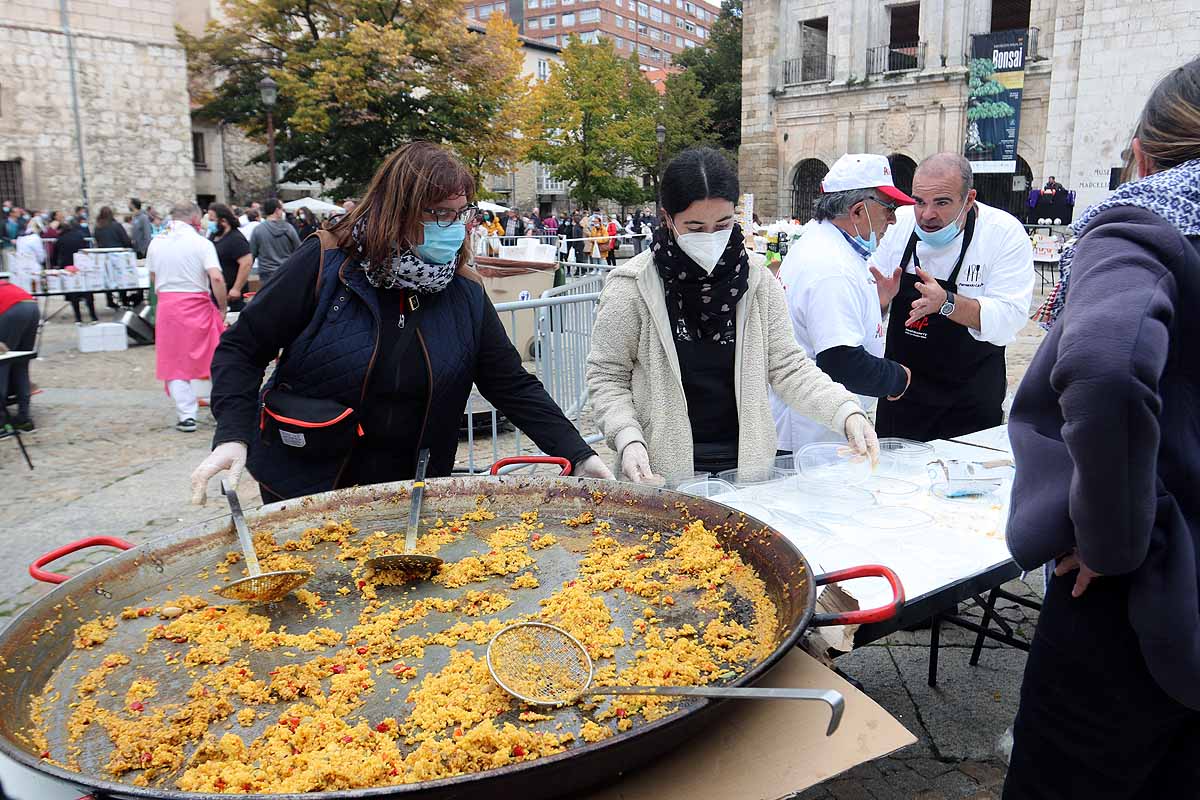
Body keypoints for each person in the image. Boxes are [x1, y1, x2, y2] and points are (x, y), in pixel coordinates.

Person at [191, 141, 613, 504]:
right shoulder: (325, 262)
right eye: (440, 214)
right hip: (311, 481)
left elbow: (510, 383)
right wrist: (233, 434)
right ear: (399, 210)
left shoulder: (462, 289)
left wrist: (578, 454)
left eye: (462, 213)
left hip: (414, 488)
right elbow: (242, 348)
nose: (456, 228)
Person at [1003, 57, 1200, 799]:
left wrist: (1113, 538)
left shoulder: (1152, 218)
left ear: (1143, 152)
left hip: (1134, 600)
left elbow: (1106, 367)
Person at [587, 148, 878, 483]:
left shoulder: (756, 280)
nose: (710, 236)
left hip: (746, 470)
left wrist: (845, 412)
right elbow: (607, 376)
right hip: (662, 472)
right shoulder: (633, 286)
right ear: (668, 219)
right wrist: (627, 437)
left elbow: (788, 366)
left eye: (723, 223)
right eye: (695, 226)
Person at [867, 152, 1034, 441]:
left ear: (969, 200)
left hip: (968, 403)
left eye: (941, 202)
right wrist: (880, 301)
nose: (927, 214)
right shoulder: (900, 224)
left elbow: (1010, 317)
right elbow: (871, 302)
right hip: (902, 398)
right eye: (919, 201)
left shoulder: (1003, 233)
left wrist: (946, 303)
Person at [772, 154, 915, 452]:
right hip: (812, 435)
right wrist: (897, 378)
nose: (892, 219)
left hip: (815, 424)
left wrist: (879, 305)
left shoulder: (827, 244)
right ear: (859, 211)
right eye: (889, 208)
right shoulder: (831, 265)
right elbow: (841, 363)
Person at [147, 202, 227, 433]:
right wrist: (221, 307)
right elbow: (217, 278)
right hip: (197, 303)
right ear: (194, 218)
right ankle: (219, 406)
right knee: (214, 355)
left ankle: (186, 415)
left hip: (169, 306)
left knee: (174, 361)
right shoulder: (201, 243)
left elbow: (153, 277)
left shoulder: (156, 243)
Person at [0, 273, 38, 433]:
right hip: (31, 305)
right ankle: (24, 418)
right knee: (21, 363)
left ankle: (1, 422)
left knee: (2, 364)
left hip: (10, 309)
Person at [209, 203, 253, 312]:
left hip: (232, 296)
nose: (210, 223)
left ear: (223, 221)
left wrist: (236, 288)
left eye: (212, 220)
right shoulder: (214, 236)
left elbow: (246, 263)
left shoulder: (236, 239)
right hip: (216, 293)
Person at [55, 219, 98, 324]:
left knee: (73, 292)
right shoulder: (79, 236)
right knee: (87, 292)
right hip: (81, 266)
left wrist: (56, 265)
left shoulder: (61, 239)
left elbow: (55, 255)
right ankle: (93, 316)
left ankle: (78, 318)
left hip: (68, 267)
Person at [250, 199, 301, 286]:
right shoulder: (289, 229)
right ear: (277, 210)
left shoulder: (258, 230)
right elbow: (299, 250)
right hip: (286, 271)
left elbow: (252, 254)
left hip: (266, 274)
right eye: (282, 209)